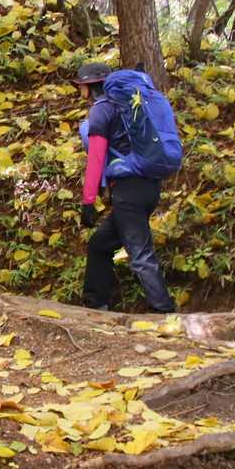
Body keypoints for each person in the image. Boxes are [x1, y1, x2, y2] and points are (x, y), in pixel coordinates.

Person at [76, 61, 178, 313]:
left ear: (89, 86)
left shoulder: (102, 110)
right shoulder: (132, 105)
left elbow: (97, 157)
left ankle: (164, 310)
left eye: (80, 87)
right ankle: (95, 303)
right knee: (100, 244)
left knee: (140, 254)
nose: (79, 92)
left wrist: (88, 201)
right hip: (149, 187)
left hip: (128, 192)